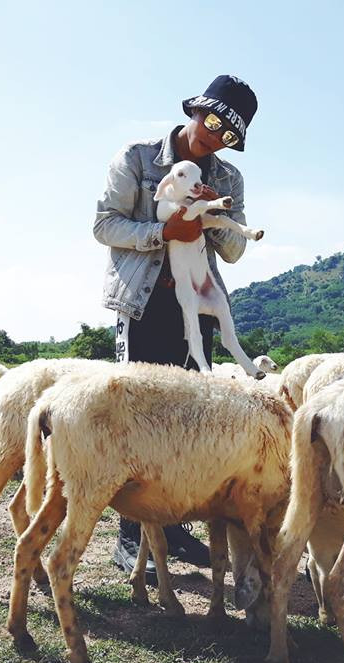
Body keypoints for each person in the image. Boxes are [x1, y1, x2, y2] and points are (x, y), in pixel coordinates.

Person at [93, 75, 259, 580]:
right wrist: (164, 230)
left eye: (228, 133)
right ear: (195, 112)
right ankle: (131, 537)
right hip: (143, 303)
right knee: (136, 418)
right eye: (211, 122)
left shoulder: (227, 179)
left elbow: (235, 250)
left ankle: (172, 526)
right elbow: (104, 225)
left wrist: (210, 213)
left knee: (184, 420)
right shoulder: (139, 158)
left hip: (194, 306)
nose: (214, 136)